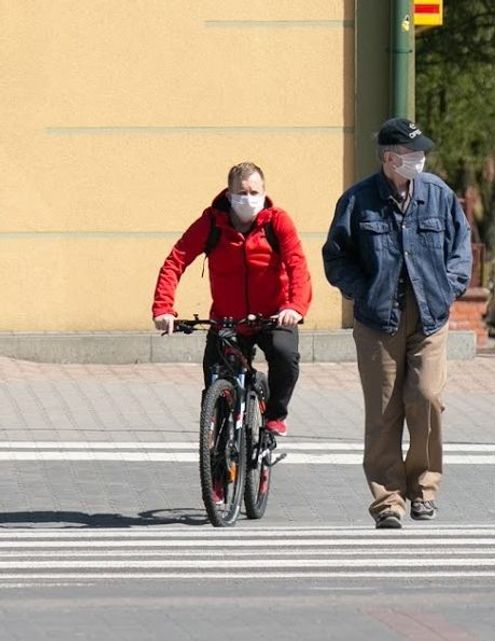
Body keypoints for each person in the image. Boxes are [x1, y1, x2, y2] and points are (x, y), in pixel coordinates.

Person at [322, 117, 472, 530]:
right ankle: (388, 499)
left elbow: (461, 249)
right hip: (377, 319)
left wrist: (449, 288)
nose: (420, 158)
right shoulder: (357, 200)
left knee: (426, 397)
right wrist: (362, 291)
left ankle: (424, 488)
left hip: (429, 315)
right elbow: (336, 257)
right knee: (384, 410)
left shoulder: (439, 195)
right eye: (412, 152)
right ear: (390, 158)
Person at [152, 162, 312, 439]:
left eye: (254, 192)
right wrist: (163, 308)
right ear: (229, 194)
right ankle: (217, 444)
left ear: (264, 192)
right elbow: (176, 260)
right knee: (215, 379)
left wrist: (294, 307)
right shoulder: (211, 223)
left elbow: (297, 265)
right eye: (241, 192)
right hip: (228, 319)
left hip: (273, 315)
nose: (248, 199)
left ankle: (275, 416)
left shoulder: (277, 222)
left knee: (285, 355)